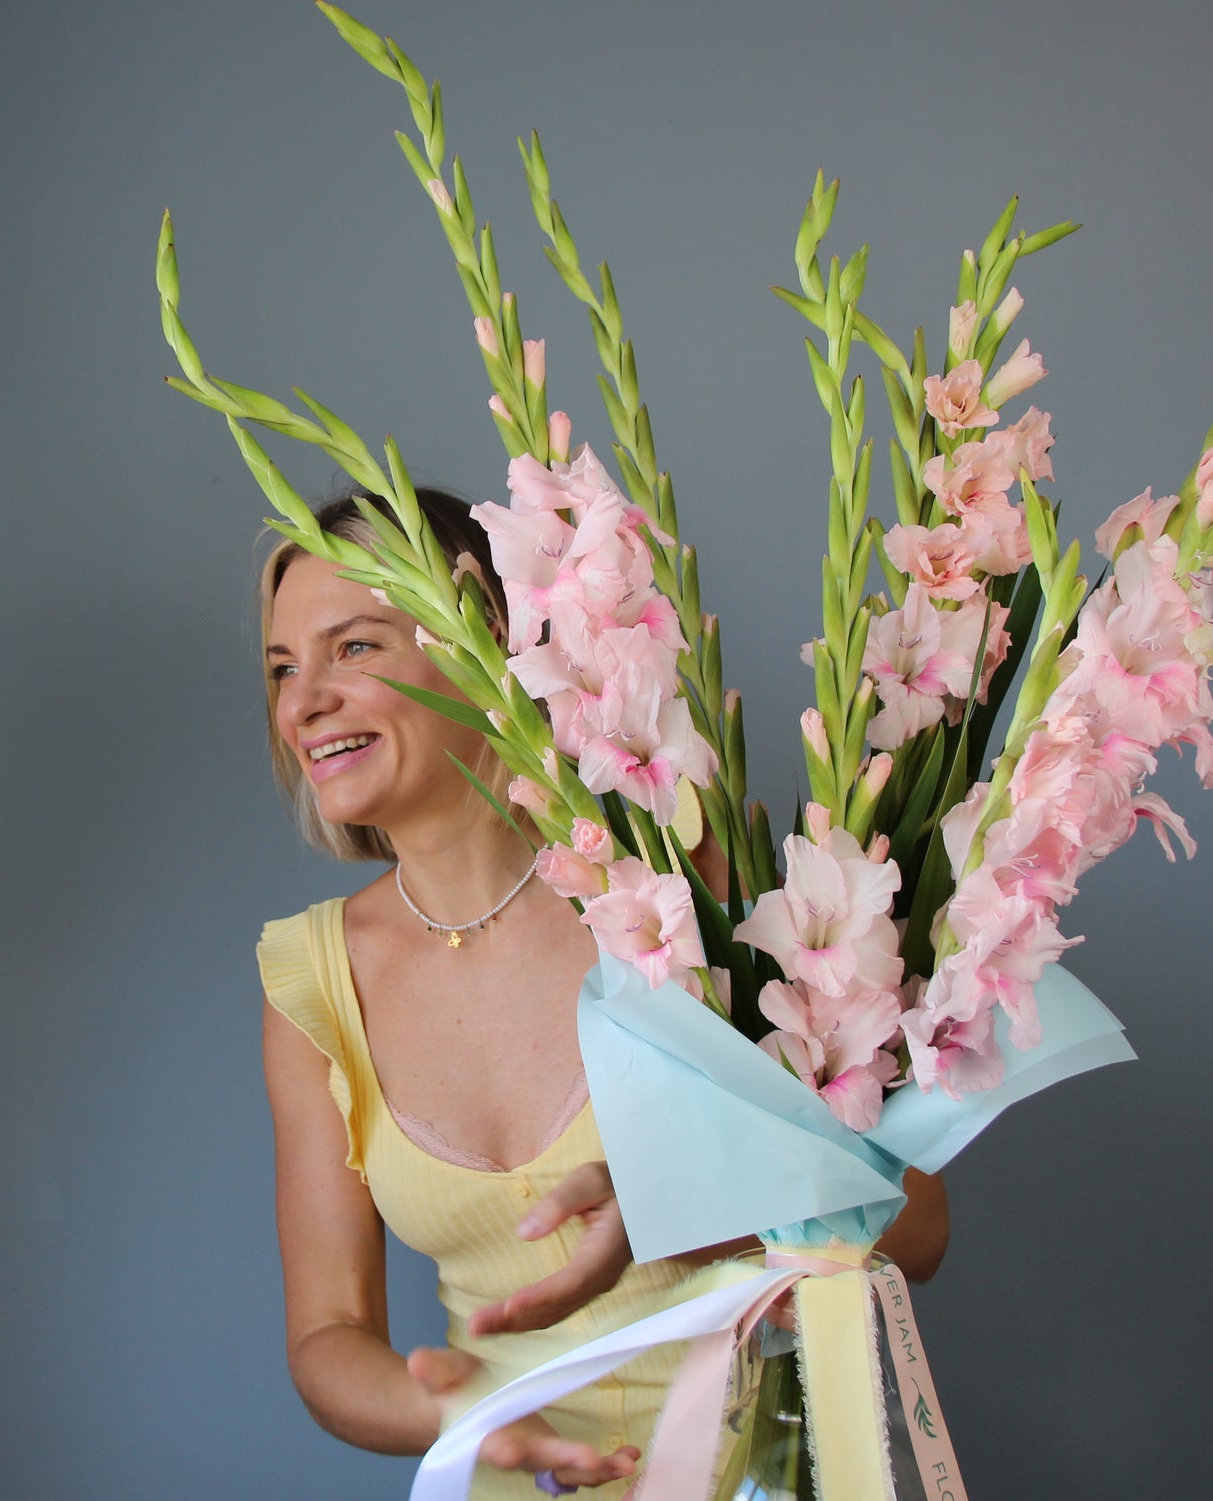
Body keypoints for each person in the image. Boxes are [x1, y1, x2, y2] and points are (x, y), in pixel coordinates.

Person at [256, 487, 950, 1496]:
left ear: (484, 636)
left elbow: (918, 1225)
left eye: (353, 647)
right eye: (282, 667)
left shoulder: (678, 884)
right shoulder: (314, 982)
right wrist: (454, 1411)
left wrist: (678, 1207)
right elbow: (328, 1336)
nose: (301, 702)